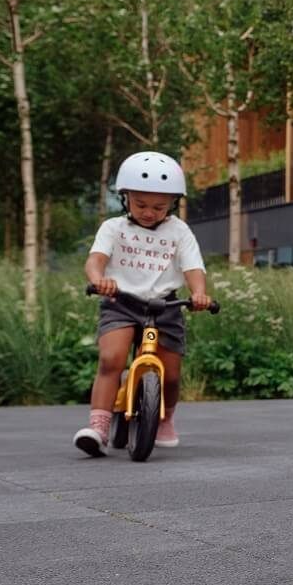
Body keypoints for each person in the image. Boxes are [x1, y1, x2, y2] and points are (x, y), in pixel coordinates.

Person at [75, 151, 212, 456]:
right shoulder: (114, 228)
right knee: (111, 359)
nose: (149, 212)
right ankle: (98, 427)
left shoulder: (179, 231)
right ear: (125, 198)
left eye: (158, 207)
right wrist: (99, 279)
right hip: (121, 302)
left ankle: (165, 419)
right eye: (140, 205)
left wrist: (199, 293)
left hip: (164, 307)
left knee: (171, 375)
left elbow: (193, 268)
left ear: (172, 204)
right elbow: (95, 260)